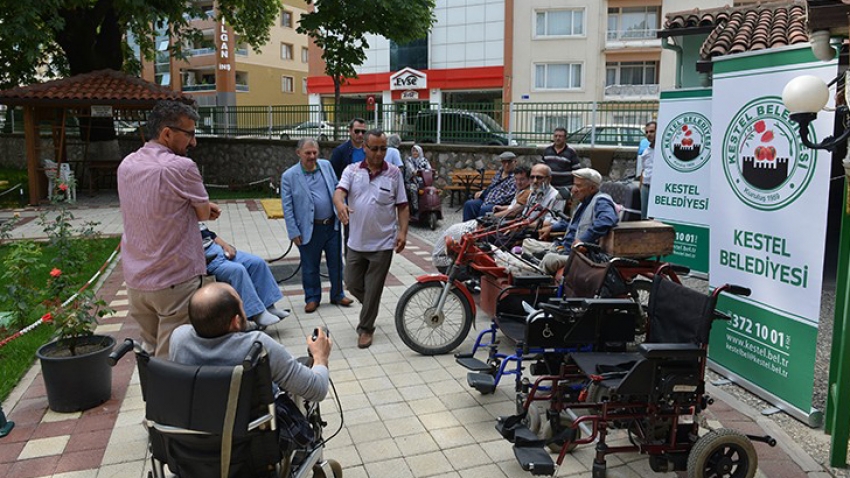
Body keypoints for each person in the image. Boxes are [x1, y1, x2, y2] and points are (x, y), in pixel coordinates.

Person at [118, 100, 220, 358]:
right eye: (190, 134)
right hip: (174, 281)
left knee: (150, 351)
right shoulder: (181, 167)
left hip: (137, 281)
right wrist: (205, 207)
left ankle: (153, 398)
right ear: (167, 133)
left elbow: (157, 204)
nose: (193, 142)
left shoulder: (127, 164)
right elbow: (202, 213)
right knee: (172, 360)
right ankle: (166, 399)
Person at [169, 282, 331, 406]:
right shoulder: (256, 348)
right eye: (242, 305)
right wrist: (320, 357)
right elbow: (316, 390)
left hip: (194, 438)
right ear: (236, 321)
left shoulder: (179, 338)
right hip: (251, 442)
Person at [333, 129, 409, 349]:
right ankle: (371, 306)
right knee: (352, 282)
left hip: (383, 243)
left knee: (374, 286)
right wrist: (340, 205)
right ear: (364, 147)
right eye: (374, 148)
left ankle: (366, 328)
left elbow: (402, 206)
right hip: (356, 242)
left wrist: (402, 232)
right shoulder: (352, 170)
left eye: (383, 148)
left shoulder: (394, 173)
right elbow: (339, 192)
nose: (379, 153)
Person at [281, 138, 352, 314]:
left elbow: (337, 188)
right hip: (308, 228)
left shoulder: (326, 166)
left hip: (331, 225)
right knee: (310, 265)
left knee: (336, 263)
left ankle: (337, 294)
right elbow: (287, 207)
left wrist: (341, 206)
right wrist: (293, 231)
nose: (312, 156)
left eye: (315, 152)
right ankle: (312, 298)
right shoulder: (289, 176)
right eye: (308, 153)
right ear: (298, 153)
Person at [524, 168, 619, 275]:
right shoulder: (582, 202)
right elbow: (572, 223)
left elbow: (607, 220)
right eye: (574, 185)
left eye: (578, 186)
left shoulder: (602, 200)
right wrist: (552, 227)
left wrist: (583, 239)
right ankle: (537, 262)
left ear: (592, 188)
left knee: (549, 259)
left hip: (581, 255)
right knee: (527, 243)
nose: (573, 189)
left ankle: (534, 271)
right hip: (563, 246)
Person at [200, 223, 288, 327]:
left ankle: (269, 306)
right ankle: (256, 313)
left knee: (257, 263)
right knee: (238, 271)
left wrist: (225, 246)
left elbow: (209, 234)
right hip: (208, 259)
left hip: (217, 250)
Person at [462, 151, 518, 221]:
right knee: (469, 204)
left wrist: (489, 201)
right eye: (504, 162)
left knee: (485, 209)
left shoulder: (516, 177)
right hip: (487, 199)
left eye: (509, 162)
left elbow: (508, 196)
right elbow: (492, 187)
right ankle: (467, 227)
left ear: (515, 162)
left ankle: (480, 229)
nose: (506, 165)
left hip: (499, 204)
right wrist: (482, 192)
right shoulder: (499, 173)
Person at [638, 121, 657, 219]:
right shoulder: (646, 151)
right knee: (644, 217)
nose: (649, 134)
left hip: (657, 188)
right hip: (646, 187)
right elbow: (643, 170)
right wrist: (640, 188)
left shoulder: (662, 151)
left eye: (652, 131)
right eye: (647, 132)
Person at [403, 144, 431, 213]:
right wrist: (414, 172)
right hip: (411, 181)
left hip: (422, 181)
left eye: (416, 151)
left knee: (429, 190)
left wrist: (430, 171)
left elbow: (429, 168)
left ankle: (428, 206)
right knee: (413, 189)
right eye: (413, 151)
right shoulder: (408, 160)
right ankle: (415, 208)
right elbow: (410, 168)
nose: (414, 153)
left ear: (420, 152)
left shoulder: (424, 160)